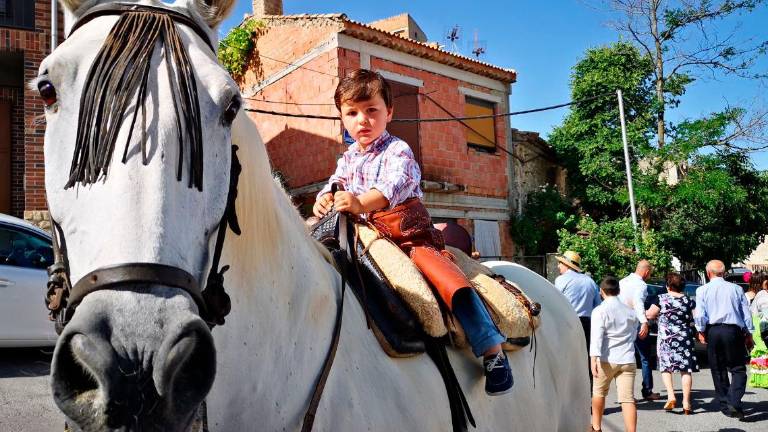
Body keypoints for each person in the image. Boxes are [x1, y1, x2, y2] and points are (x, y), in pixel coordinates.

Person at [312, 69, 512, 395]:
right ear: (342, 118)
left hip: (405, 235)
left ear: (388, 113)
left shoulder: (398, 150)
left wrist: (360, 202)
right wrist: (324, 199)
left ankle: (492, 349)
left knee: (447, 279)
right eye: (352, 112)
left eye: (371, 110)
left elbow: (392, 186)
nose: (362, 120)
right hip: (363, 235)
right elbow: (334, 185)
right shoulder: (348, 158)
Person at [695, 260, 754, 419]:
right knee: (738, 368)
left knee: (717, 367)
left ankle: (725, 402)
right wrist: (748, 333)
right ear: (724, 273)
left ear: (708, 273)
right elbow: (745, 313)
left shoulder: (702, 290)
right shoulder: (736, 289)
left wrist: (700, 330)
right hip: (733, 330)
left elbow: (700, 314)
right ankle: (734, 400)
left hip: (713, 330)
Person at [590, 276, 639, 432]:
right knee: (628, 399)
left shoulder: (599, 311)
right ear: (618, 291)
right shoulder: (630, 311)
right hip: (628, 358)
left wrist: (593, 358)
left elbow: (597, 337)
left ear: (601, 291)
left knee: (599, 393)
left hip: (606, 358)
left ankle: (596, 427)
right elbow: (633, 335)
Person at [646, 272, 698, 414]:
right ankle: (686, 403)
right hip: (684, 338)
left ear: (668, 285)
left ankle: (671, 396)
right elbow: (697, 316)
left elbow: (650, 314)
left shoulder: (661, 299)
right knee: (685, 370)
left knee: (665, 367)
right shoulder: (688, 300)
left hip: (666, 339)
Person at [619, 259, 660, 401]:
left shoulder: (623, 281)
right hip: (635, 323)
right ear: (647, 272)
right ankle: (647, 391)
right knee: (645, 358)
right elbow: (638, 304)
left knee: (624, 358)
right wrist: (644, 322)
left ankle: (624, 394)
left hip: (622, 323)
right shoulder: (641, 285)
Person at [554, 251, 601, 349]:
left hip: (568, 322)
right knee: (585, 353)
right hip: (587, 324)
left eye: (560, 263)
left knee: (568, 353)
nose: (558, 266)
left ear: (566, 265)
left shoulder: (561, 280)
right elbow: (598, 306)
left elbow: (556, 303)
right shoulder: (590, 281)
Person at [748, 271, 768, 389]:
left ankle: (763, 379)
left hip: (761, 330)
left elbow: (754, 313)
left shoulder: (761, 295)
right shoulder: (762, 295)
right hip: (763, 330)